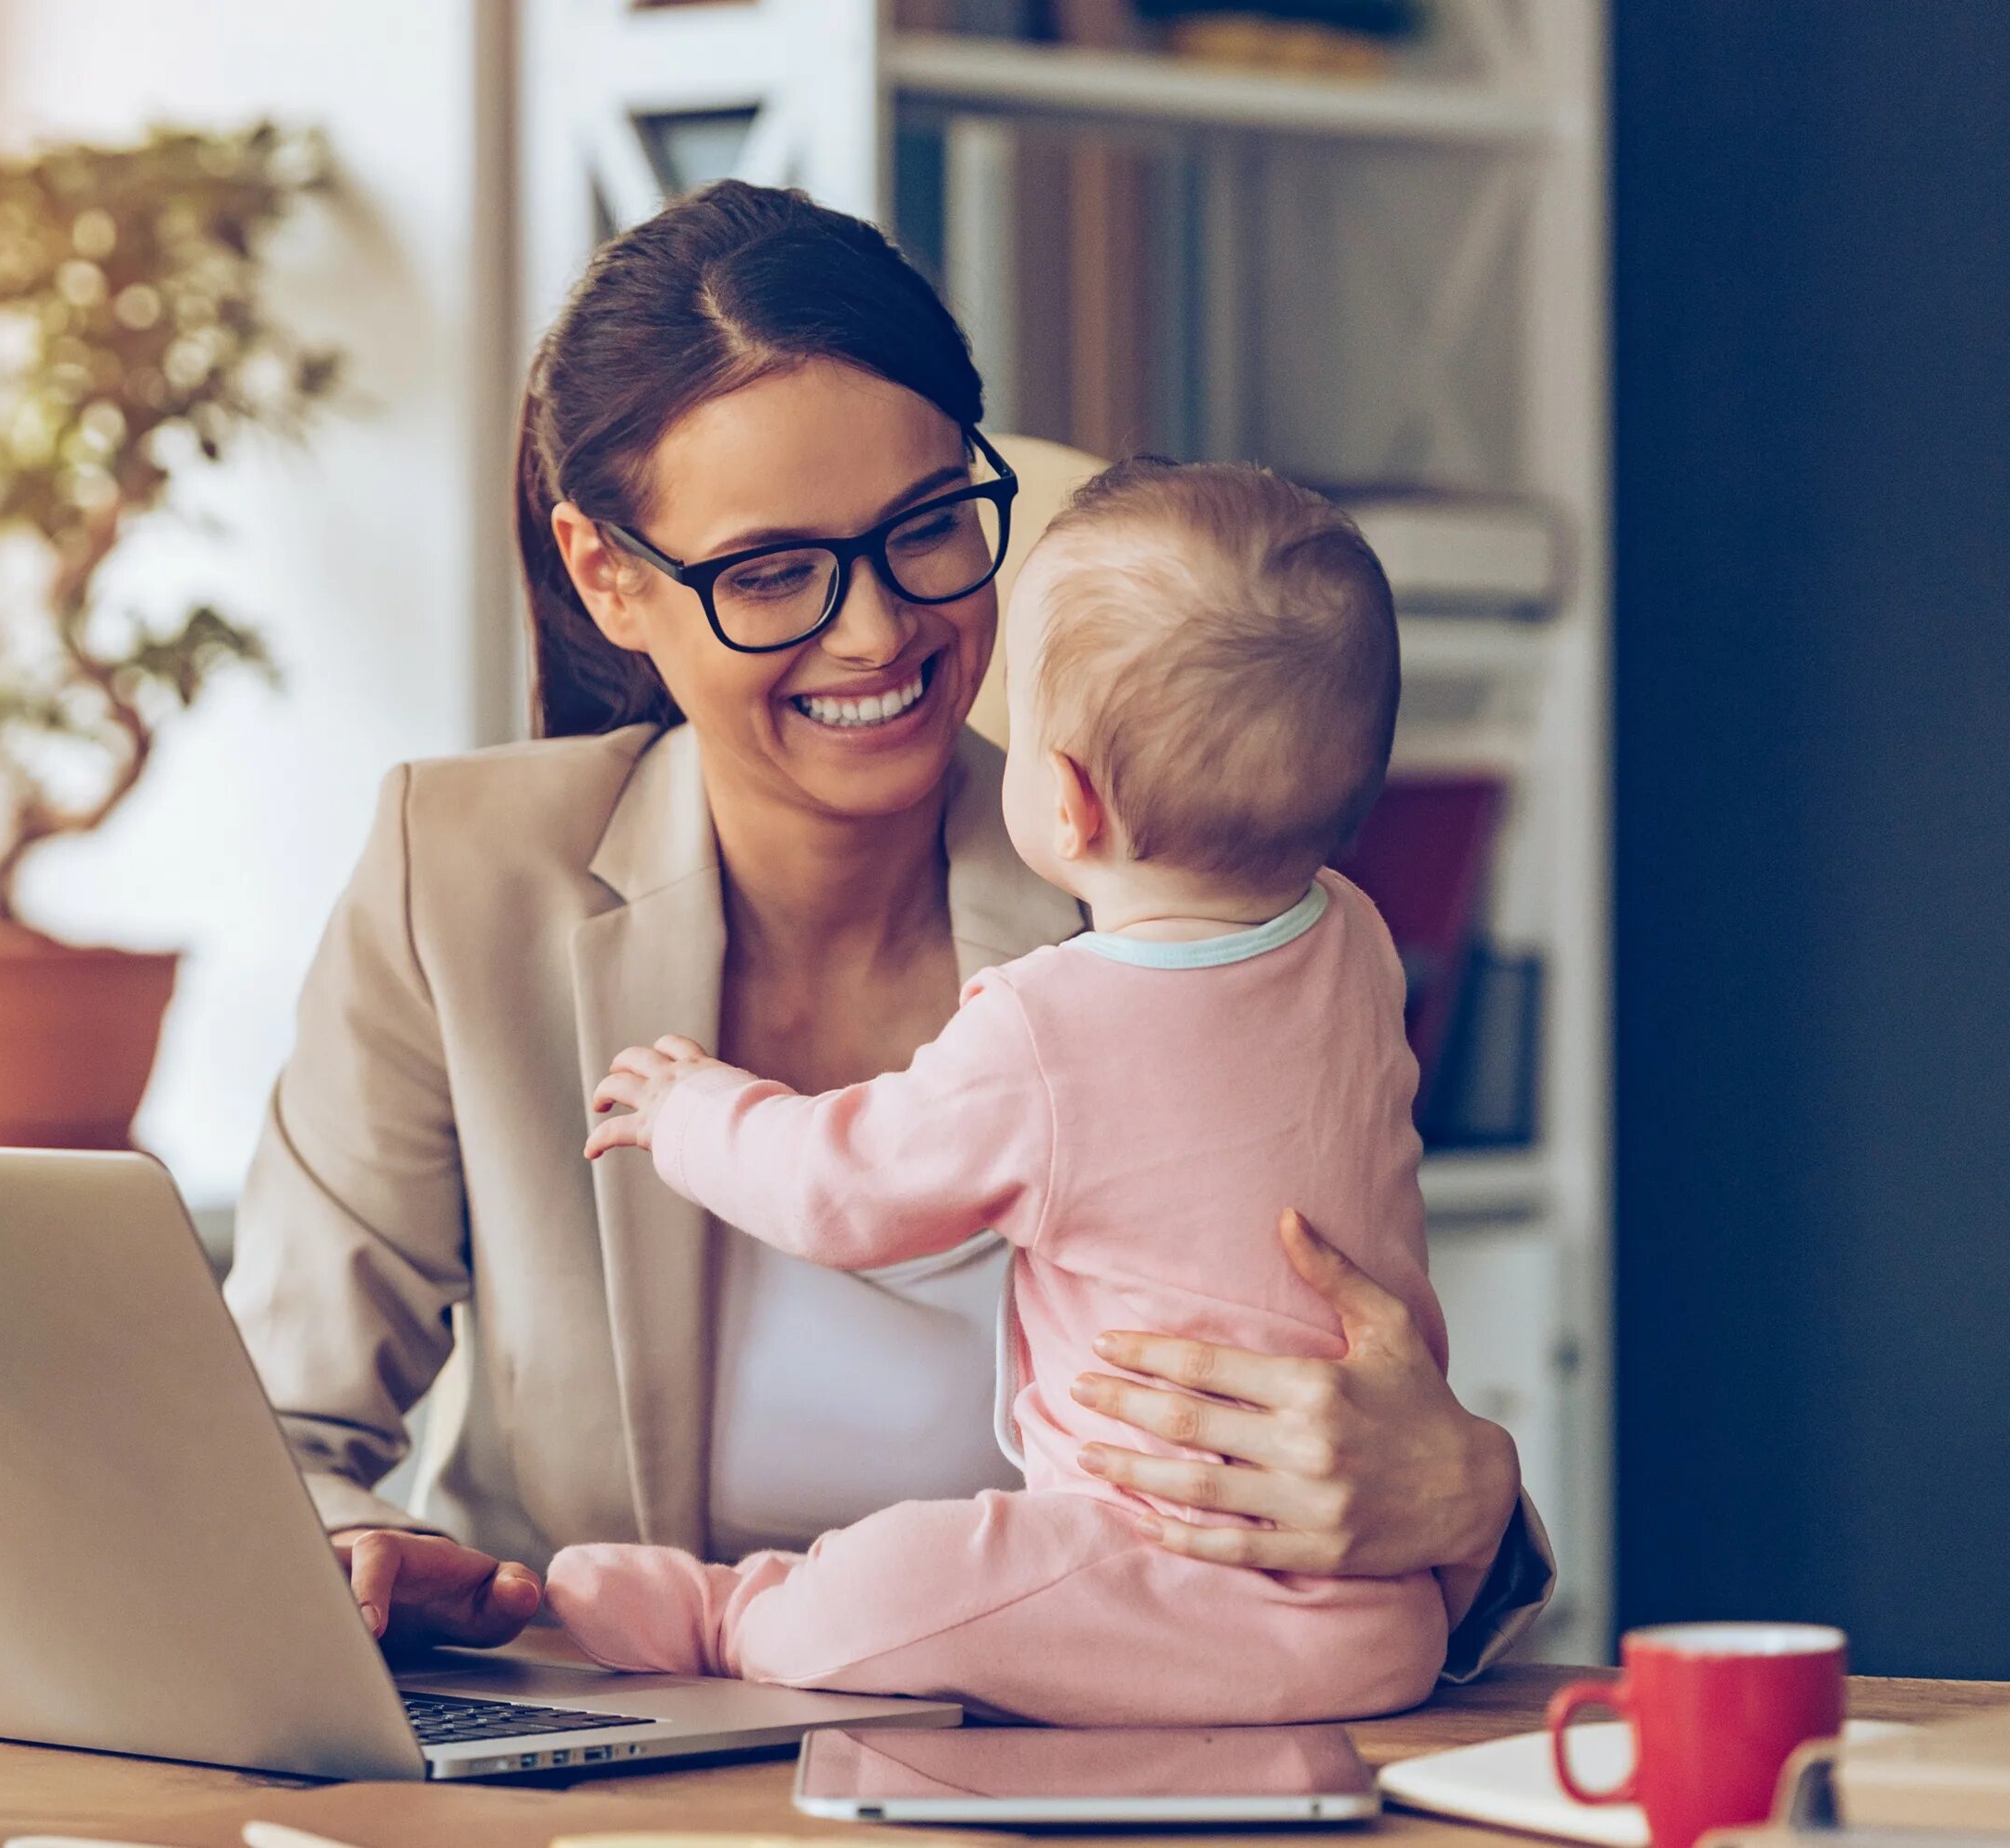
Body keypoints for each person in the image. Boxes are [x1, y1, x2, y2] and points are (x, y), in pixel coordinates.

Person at [223, 179, 1552, 1672]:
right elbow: (271, 1430)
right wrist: (357, 1556)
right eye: (774, 571)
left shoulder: (1174, 878)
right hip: (612, 1759)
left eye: (927, 528)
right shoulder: (457, 877)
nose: (877, 630)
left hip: (1068, 1762)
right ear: (610, 576)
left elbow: (1357, 1378)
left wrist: (1468, 1498)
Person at [546, 460, 1447, 1723]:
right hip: (1379, 1613)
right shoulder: (1355, 943)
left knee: (913, 1570)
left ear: (1065, 801)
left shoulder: (1051, 1025)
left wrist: (689, 1109)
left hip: (1156, 1563)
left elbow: (843, 1189)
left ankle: (731, 1612)